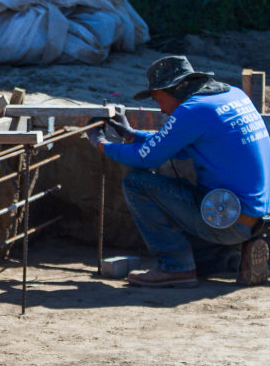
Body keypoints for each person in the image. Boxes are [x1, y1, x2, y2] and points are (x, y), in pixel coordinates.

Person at [86, 55, 270, 288]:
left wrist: (101, 144)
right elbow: (176, 145)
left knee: (136, 182)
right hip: (254, 218)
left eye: (158, 100)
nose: (161, 110)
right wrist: (131, 134)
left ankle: (175, 267)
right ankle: (232, 257)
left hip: (228, 219)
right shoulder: (233, 95)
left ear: (171, 90)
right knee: (197, 255)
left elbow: (147, 158)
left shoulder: (192, 111)